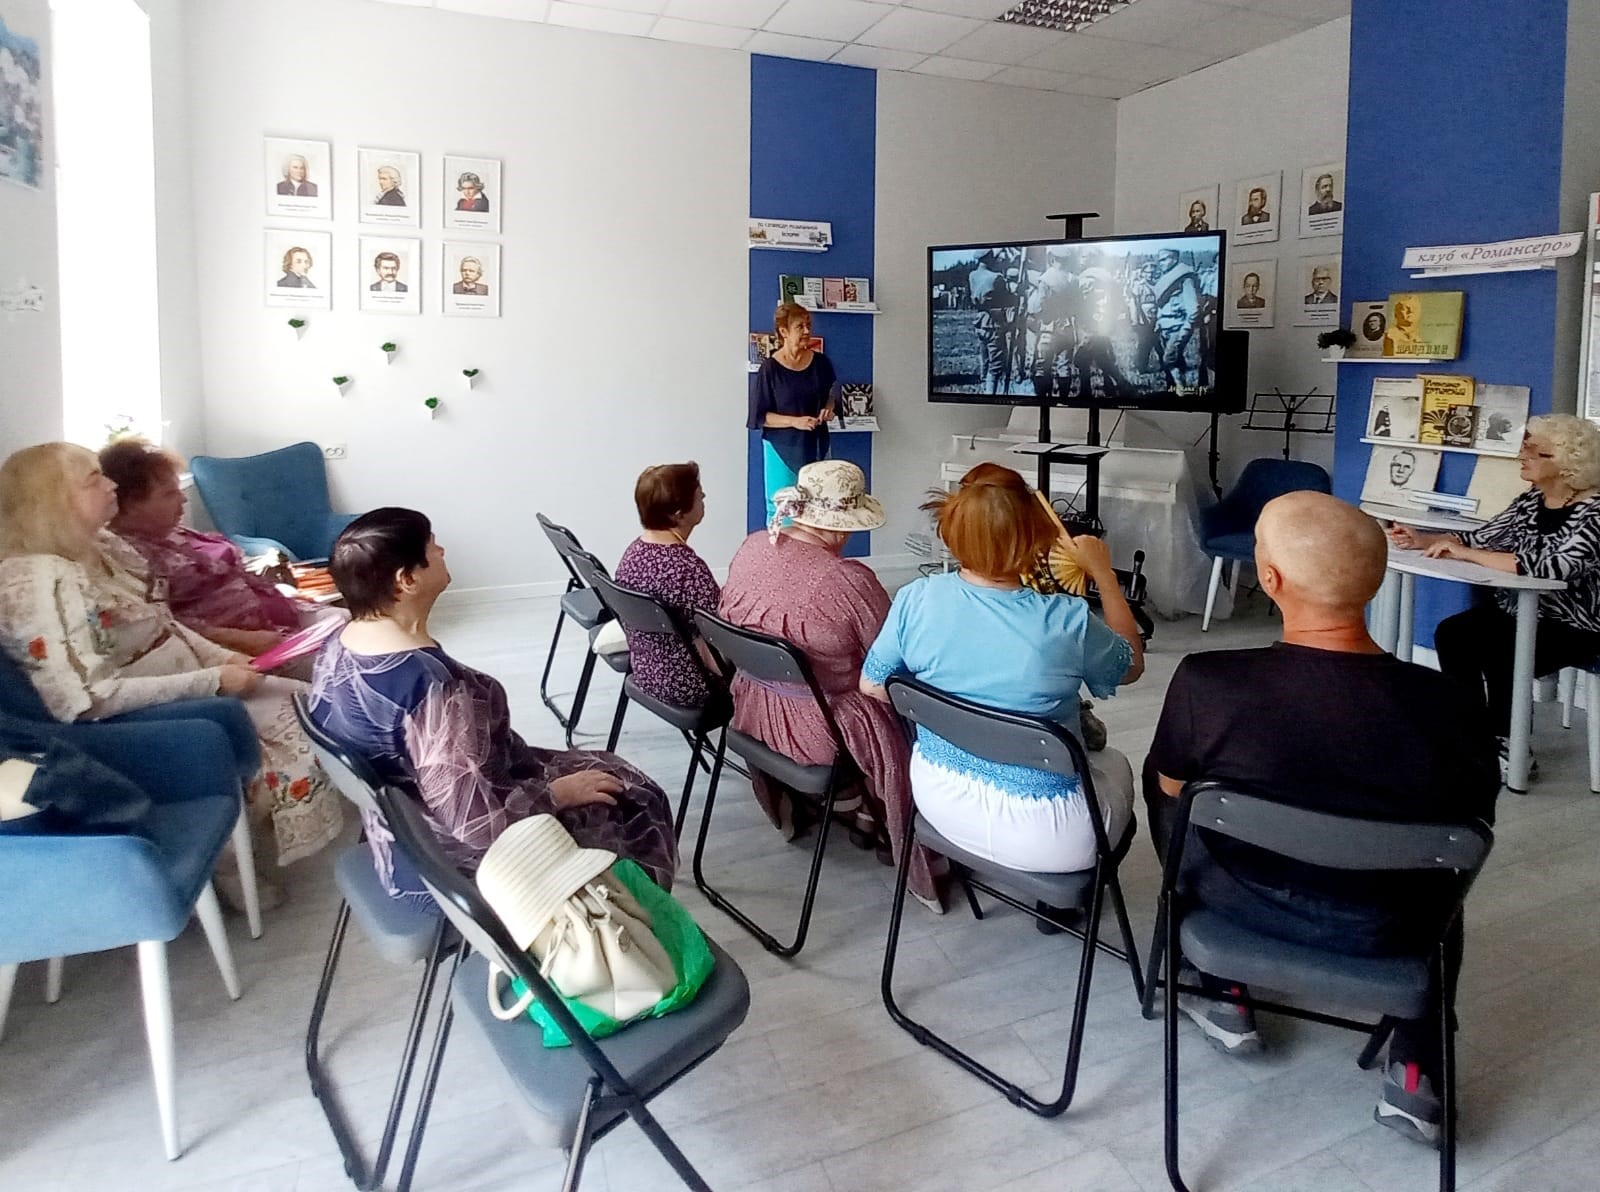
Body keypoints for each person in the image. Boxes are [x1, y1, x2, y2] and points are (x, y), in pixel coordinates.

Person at [1146, 491, 1497, 1146]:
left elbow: (1170, 792)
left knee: (1167, 783)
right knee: (1445, 869)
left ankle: (1221, 988)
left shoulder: (1208, 681)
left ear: (1270, 580)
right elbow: (1474, 820)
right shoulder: (1453, 701)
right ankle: (1417, 1067)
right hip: (1391, 925)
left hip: (1237, 903)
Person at [0, 443, 343, 899]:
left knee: (305, 703)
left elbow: (165, 623)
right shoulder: (35, 584)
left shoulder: (102, 547)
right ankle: (228, 865)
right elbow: (86, 699)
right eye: (94, 479)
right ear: (52, 500)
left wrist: (221, 659)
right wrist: (214, 680)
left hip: (193, 679)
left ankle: (253, 839)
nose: (111, 486)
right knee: (293, 719)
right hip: (142, 716)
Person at [308, 508, 677, 902]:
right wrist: (557, 794)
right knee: (633, 796)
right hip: (459, 866)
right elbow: (478, 822)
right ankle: (632, 921)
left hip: (399, 837)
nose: (442, 551)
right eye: (433, 546)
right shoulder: (435, 690)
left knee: (607, 768)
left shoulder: (337, 645)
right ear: (407, 580)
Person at [861, 464, 1144, 879]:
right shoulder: (1067, 619)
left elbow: (872, 685)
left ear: (951, 529)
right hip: (1050, 837)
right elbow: (1132, 666)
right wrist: (1105, 576)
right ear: (1035, 536)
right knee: (1116, 762)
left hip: (938, 799)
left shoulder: (914, 598)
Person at [718, 461, 946, 911]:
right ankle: (885, 815)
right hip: (820, 734)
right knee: (901, 699)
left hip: (751, 710)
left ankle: (854, 804)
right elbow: (894, 662)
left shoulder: (752, 547)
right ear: (842, 526)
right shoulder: (848, 580)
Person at [1391, 415, 1600, 780]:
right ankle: (1472, 733)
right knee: (1454, 633)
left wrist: (1467, 554)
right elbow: (1482, 538)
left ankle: (1510, 744)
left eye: (1533, 451)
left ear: (1566, 461)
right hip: (1522, 611)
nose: (1522, 456)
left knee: (1503, 649)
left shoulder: (1595, 512)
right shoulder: (1532, 500)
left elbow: (1553, 568)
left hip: (1577, 626)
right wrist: (1424, 540)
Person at [98, 438, 328, 657]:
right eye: (169, 494)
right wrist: (241, 639)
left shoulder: (174, 532)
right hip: (248, 649)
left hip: (283, 618)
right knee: (341, 659)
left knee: (346, 623)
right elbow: (165, 625)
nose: (183, 499)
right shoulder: (127, 558)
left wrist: (284, 597)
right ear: (129, 504)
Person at [614, 462, 722, 710]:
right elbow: (723, 632)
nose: (704, 497)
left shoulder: (632, 553)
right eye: (699, 494)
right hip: (691, 684)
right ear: (679, 513)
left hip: (646, 672)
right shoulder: (688, 568)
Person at [747, 300, 837, 522]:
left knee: (818, 510)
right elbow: (760, 417)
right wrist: (794, 421)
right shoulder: (769, 369)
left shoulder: (821, 363)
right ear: (784, 332)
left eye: (808, 325)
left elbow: (831, 395)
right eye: (800, 326)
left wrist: (828, 409)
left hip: (817, 446)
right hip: (781, 449)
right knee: (783, 512)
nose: (807, 331)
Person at [1153, 248, 1201, 390]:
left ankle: (1180, 389)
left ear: (1174, 259)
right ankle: (1178, 389)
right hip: (1165, 327)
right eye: (1159, 260)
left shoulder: (1185, 279)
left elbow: (1193, 308)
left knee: (1168, 359)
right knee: (1176, 360)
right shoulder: (1166, 278)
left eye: (1164, 259)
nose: (1161, 263)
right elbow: (1161, 305)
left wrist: (1185, 330)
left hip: (1178, 327)